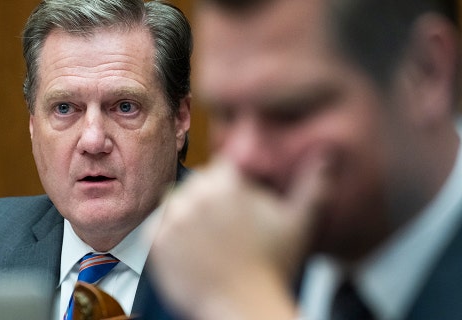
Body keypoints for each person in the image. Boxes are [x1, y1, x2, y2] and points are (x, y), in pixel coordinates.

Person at [148, 0, 461, 319]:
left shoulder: (228, 292)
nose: (243, 158)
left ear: (426, 72)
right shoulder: (197, 273)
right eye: (225, 115)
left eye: (290, 114)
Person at [0, 0, 192, 319]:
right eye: (64, 108)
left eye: (124, 106)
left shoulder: (246, 253)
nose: (93, 141)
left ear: (179, 119)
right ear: (33, 124)